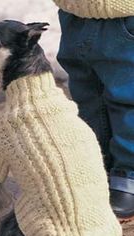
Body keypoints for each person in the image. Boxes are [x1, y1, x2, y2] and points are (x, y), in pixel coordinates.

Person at [53, 0, 134, 221]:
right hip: (75, 13)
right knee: (87, 99)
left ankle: (128, 175)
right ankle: (97, 171)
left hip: (123, 17)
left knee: (126, 101)